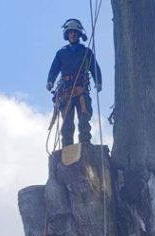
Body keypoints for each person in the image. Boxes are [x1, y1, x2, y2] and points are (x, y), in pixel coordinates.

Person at [47, 19, 102, 147]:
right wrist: (50, 81)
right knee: (66, 121)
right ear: (67, 35)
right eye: (70, 32)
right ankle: (67, 146)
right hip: (66, 91)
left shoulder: (86, 52)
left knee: (84, 117)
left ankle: (85, 143)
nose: (73, 34)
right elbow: (54, 69)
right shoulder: (61, 53)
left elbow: (94, 68)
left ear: (79, 34)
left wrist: (98, 82)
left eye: (75, 32)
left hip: (81, 90)